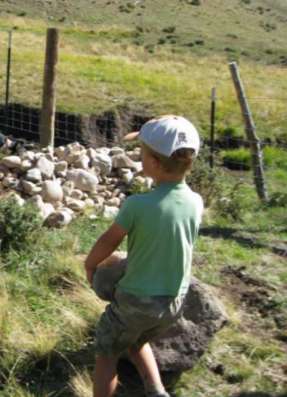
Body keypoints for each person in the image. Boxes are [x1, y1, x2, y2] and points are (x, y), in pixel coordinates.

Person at [83, 116, 204, 397]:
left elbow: (108, 242)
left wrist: (90, 265)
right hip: (173, 303)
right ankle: (156, 390)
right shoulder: (196, 202)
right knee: (135, 340)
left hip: (135, 300)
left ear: (153, 163)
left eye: (142, 151)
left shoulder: (137, 205)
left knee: (106, 354)